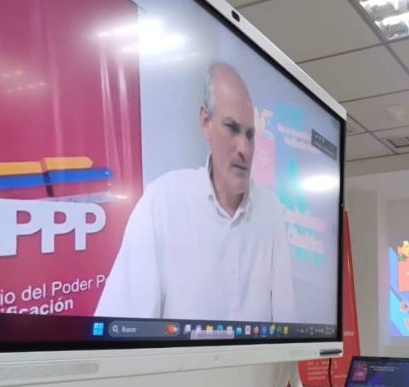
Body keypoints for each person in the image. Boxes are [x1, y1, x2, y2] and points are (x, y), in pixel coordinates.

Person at [96, 62, 296, 323]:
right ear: (205, 122)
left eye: (250, 135)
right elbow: (118, 327)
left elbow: (288, 327)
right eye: (232, 128)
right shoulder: (162, 203)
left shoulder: (271, 211)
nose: (244, 149)